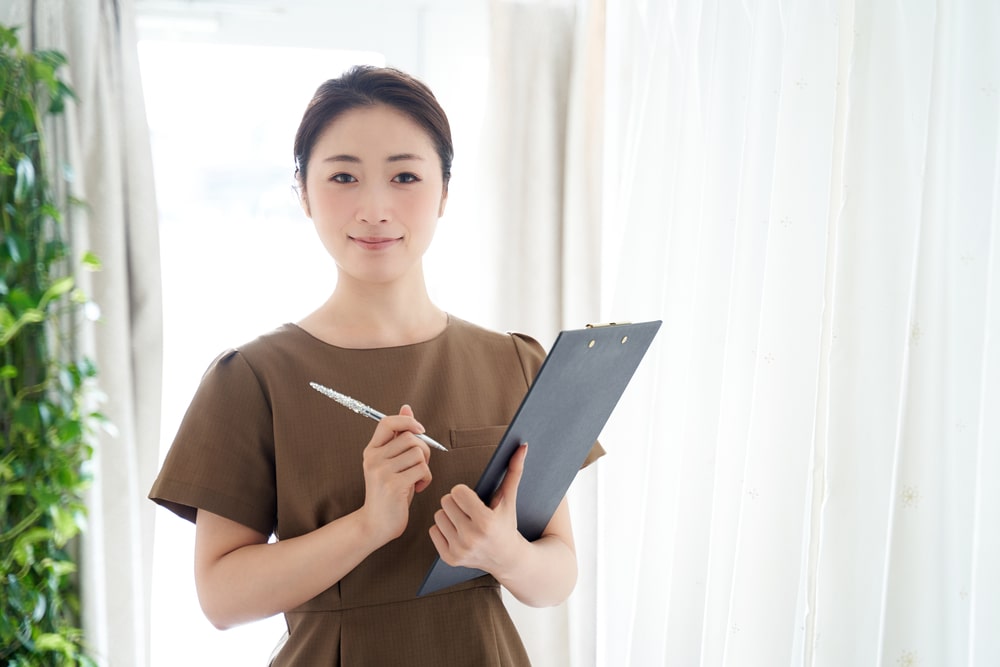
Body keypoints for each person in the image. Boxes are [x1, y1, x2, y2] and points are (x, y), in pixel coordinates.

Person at [148, 65, 603, 665]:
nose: (375, 208)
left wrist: (503, 553)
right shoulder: (250, 380)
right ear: (303, 193)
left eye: (405, 175)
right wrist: (369, 524)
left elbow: (558, 575)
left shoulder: (515, 362)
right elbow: (220, 599)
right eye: (343, 176)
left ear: (444, 191)